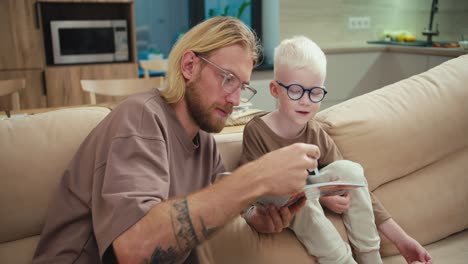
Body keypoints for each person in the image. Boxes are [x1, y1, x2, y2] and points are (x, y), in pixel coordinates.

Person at [32, 17, 320, 264]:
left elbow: (218, 195)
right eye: (227, 78)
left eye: (242, 87)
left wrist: (254, 215)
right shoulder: (142, 118)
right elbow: (134, 249)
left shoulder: (203, 142)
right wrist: (257, 177)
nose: (235, 99)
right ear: (190, 65)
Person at [239, 36, 433, 264]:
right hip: (284, 200)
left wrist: (402, 240)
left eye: (315, 92)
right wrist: (320, 198)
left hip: (308, 192)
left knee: (350, 170)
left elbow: (354, 184)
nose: (305, 101)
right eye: (295, 91)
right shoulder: (256, 131)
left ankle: (371, 259)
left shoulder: (316, 133)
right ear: (275, 90)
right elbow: (250, 190)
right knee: (294, 191)